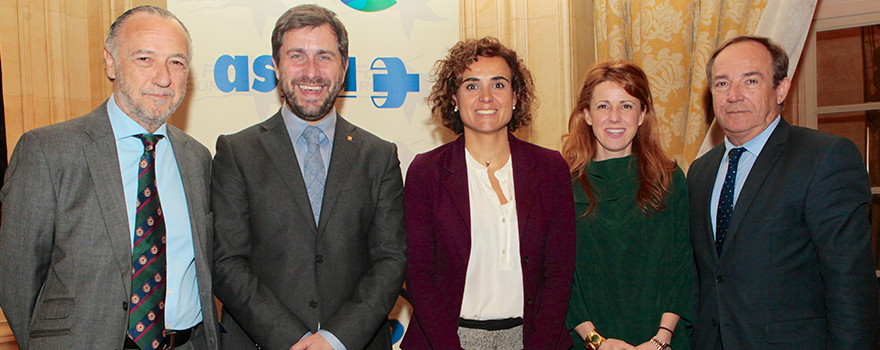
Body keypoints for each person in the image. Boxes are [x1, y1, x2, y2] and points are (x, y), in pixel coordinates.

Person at [0, 5, 219, 350]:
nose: (163, 78)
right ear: (110, 62)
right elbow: (17, 280)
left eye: (176, 62)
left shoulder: (197, 158)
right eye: (145, 59)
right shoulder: (47, 151)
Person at [210, 4, 407, 350]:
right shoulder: (236, 153)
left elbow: (390, 260)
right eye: (297, 55)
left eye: (325, 57)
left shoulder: (379, 155)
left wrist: (334, 340)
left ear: (344, 67)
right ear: (276, 65)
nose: (311, 72)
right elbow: (227, 263)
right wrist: (295, 340)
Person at [689, 35, 880, 349]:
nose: (733, 95)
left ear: (781, 89)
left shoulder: (823, 158)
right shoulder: (700, 172)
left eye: (751, 80)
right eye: (722, 84)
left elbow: (850, 283)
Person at [401, 37, 576, 350]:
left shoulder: (551, 168)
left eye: (498, 85)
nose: (485, 97)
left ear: (515, 96)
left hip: (531, 339)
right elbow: (419, 276)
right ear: (453, 98)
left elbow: (560, 272)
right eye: (471, 86)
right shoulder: (426, 172)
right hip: (447, 340)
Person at [560, 61, 692, 350]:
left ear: (643, 114)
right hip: (587, 343)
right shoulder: (562, 185)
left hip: (662, 343)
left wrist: (660, 339)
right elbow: (559, 277)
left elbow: (682, 268)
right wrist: (596, 341)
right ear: (587, 114)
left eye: (627, 106)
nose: (615, 118)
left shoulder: (669, 180)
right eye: (604, 106)